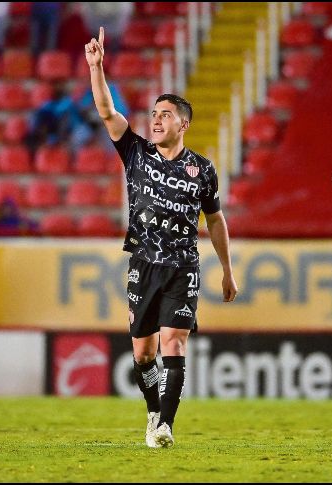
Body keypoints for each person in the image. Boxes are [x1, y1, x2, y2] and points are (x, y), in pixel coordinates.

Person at [85, 27, 238, 448]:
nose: (155, 119)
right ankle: (154, 412)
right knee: (143, 354)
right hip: (143, 264)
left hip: (183, 265)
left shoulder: (203, 170)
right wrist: (96, 67)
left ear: (183, 123)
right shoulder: (135, 151)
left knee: (175, 341)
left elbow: (216, 220)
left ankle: (166, 425)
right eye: (154, 113)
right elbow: (105, 110)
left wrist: (227, 270)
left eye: (165, 114)